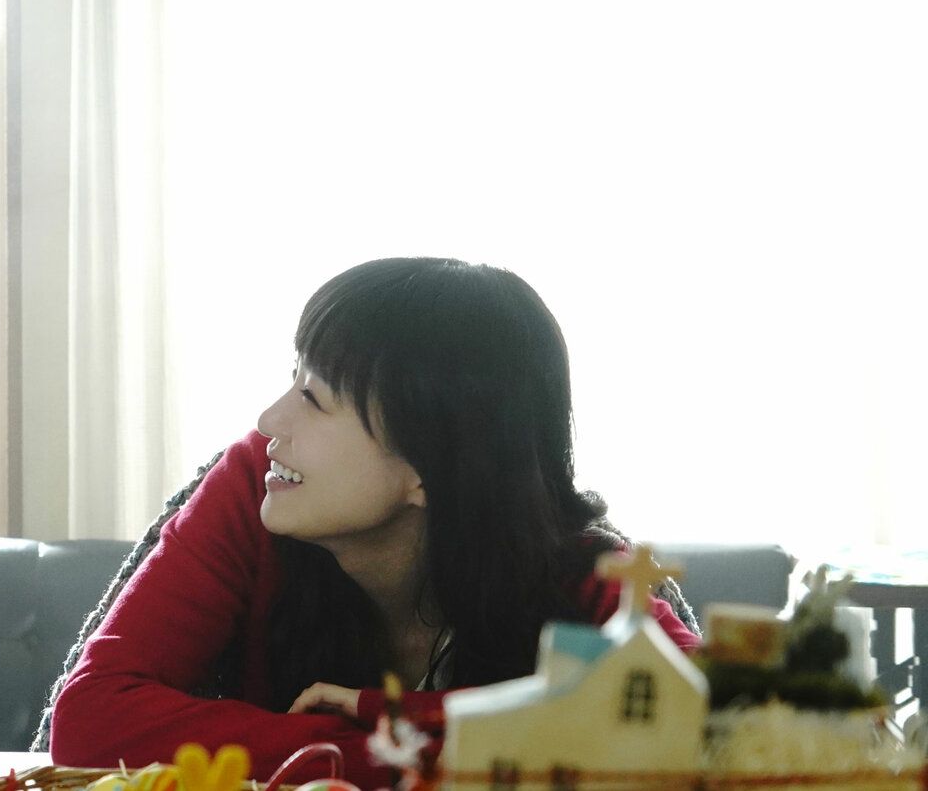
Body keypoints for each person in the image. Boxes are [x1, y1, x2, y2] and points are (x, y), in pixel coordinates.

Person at [47, 257, 695, 785]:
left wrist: (393, 719)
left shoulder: (577, 567)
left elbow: (715, 727)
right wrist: (436, 752)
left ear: (429, 468)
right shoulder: (254, 484)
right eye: (292, 378)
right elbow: (90, 719)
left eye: (313, 397)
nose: (270, 421)